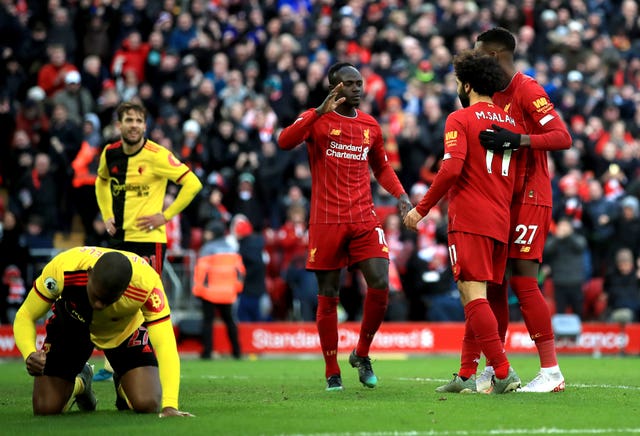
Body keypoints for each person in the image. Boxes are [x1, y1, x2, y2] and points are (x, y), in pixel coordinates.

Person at [278, 62, 412, 391]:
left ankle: (362, 353)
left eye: (359, 83)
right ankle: (331, 369)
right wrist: (318, 111)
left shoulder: (370, 126)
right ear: (334, 87)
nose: (356, 89)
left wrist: (402, 196)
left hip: (364, 217)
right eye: (349, 84)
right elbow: (284, 141)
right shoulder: (317, 119)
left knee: (381, 284)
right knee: (328, 295)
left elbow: (381, 168)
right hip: (326, 220)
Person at [404, 50, 522, 394]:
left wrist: (421, 208)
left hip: (470, 217)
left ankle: (503, 371)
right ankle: (466, 374)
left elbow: (451, 169)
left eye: (458, 82)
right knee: (476, 294)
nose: (457, 87)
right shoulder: (509, 124)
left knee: (472, 294)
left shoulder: (460, 119)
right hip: (501, 219)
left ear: (467, 84)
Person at [474, 27, 573, 393]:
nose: (474, 59)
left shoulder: (526, 88)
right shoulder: (489, 96)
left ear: (497, 55)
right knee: (495, 284)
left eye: (479, 53)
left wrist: (518, 140)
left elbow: (562, 137)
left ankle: (551, 371)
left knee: (523, 280)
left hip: (531, 196)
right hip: (502, 199)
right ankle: (496, 368)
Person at [12, 247, 193, 417]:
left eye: (107, 300)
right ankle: (82, 382)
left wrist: (170, 405)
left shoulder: (147, 285)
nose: (99, 305)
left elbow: (165, 344)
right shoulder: (63, 269)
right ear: (89, 274)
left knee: (147, 403)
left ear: (124, 290)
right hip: (71, 325)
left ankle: (123, 381)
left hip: (122, 331)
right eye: (96, 296)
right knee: (45, 408)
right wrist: (29, 353)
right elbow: (25, 315)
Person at [93, 101, 203, 381]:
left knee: (144, 298)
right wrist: (107, 215)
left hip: (148, 239)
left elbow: (193, 183)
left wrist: (164, 216)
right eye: (128, 120)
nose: (134, 125)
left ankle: (139, 358)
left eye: (139, 121)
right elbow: (100, 181)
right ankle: (112, 360)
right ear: (119, 125)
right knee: (110, 299)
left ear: (145, 125)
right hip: (120, 238)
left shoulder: (157, 155)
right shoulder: (110, 153)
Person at [192, 220, 244, 359]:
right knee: (230, 321)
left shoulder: (207, 248)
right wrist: (236, 289)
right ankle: (237, 352)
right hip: (227, 292)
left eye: (209, 232)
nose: (206, 234)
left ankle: (207, 352)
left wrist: (198, 290)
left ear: (214, 233)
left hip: (209, 293)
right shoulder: (231, 248)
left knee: (208, 322)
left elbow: (201, 272)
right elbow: (240, 271)